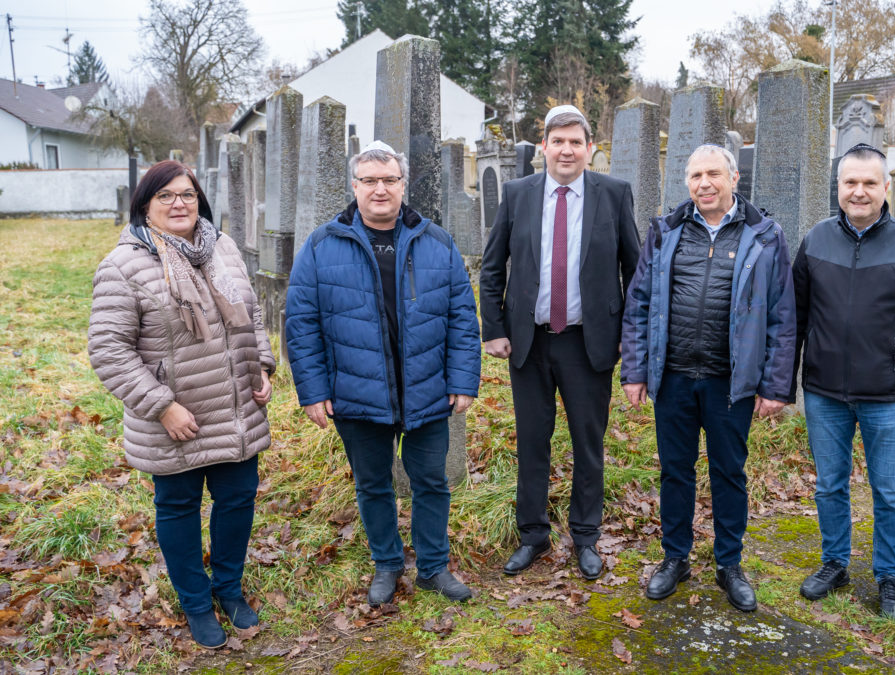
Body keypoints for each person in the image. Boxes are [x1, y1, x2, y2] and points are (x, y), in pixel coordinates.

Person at [88, 160, 274, 648]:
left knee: (237, 500)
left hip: (235, 408)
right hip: (176, 418)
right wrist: (161, 406)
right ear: (146, 207)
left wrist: (264, 367)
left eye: (187, 195)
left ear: (200, 201)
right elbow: (108, 349)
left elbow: (252, 314)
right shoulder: (123, 266)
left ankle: (229, 590)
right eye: (165, 196)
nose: (178, 204)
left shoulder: (223, 249)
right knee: (178, 508)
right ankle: (195, 602)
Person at [285, 141, 480, 606]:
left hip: (428, 389)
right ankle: (387, 564)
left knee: (431, 481)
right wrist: (312, 391)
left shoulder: (435, 241)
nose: (379, 189)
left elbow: (462, 316)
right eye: (369, 180)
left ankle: (434, 567)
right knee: (373, 484)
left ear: (402, 184)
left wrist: (463, 380)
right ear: (354, 186)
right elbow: (302, 323)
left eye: (389, 180)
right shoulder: (322, 244)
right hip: (357, 391)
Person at [621, 144, 795, 609]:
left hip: (729, 382)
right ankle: (675, 558)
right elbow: (639, 304)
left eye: (713, 173)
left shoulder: (764, 235)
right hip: (674, 376)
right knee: (675, 471)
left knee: (729, 472)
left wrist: (776, 385)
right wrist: (635, 370)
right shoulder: (665, 231)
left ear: (734, 178)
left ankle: (729, 563)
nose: (704, 183)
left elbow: (781, 314)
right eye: (695, 174)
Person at [479, 105, 640, 580]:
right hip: (528, 343)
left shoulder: (613, 194)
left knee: (588, 444)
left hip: (589, 344)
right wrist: (495, 329)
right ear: (544, 147)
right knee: (532, 442)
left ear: (591, 149)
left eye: (576, 141)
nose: (567, 149)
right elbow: (492, 268)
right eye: (558, 141)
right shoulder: (517, 194)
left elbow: (636, 272)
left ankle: (586, 536)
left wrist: (626, 340)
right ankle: (533, 535)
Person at [792, 143, 895, 620]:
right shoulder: (815, 240)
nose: (859, 192)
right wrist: (782, 383)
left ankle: (890, 577)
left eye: (869, 183)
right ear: (838, 187)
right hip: (824, 393)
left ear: (885, 188)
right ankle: (835, 563)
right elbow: (794, 317)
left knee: (890, 491)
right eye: (850, 182)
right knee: (829, 486)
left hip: (888, 396)